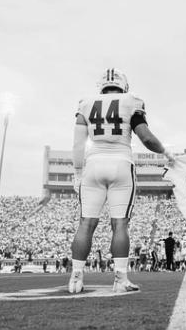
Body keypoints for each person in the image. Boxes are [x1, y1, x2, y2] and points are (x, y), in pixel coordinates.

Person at [68, 68, 174, 293]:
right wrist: (166, 152)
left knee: (86, 223)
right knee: (119, 224)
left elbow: (78, 144)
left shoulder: (86, 103)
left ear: (102, 87)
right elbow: (145, 136)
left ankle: (75, 278)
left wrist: (78, 173)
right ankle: (120, 278)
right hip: (121, 163)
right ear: (123, 86)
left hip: (93, 164)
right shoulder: (131, 101)